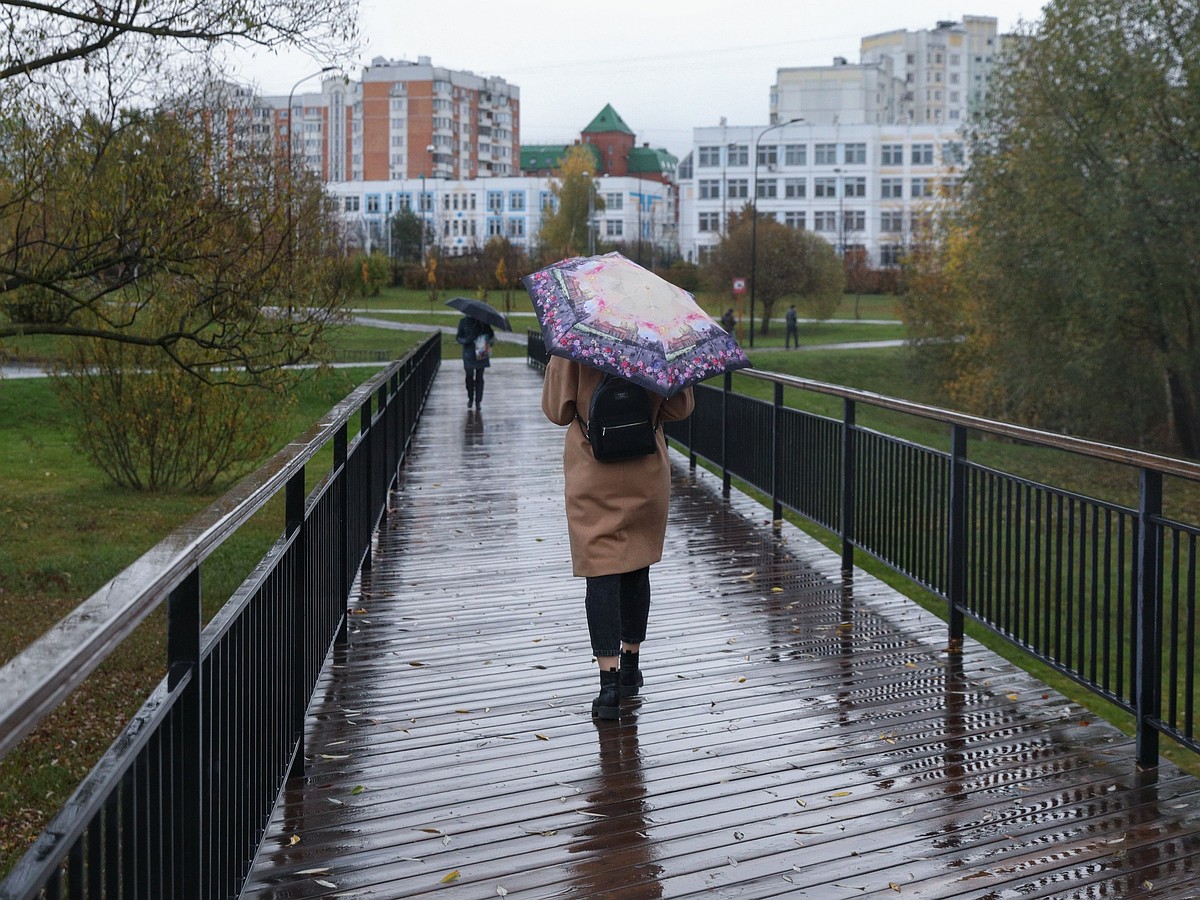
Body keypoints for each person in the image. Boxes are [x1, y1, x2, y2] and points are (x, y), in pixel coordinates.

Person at [541, 356, 695, 720]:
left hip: (592, 467)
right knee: (637, 566)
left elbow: (556, 411)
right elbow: (681, 406)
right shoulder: (656, 339)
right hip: (645, 469)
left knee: (601, 571)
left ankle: (608, 687)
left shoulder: (576, 344)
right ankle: (631, 665)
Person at [455, 315, 495, 409]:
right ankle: (470, 398)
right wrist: (466, 340)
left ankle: (478, 401)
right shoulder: (463, 322)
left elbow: (491, 335)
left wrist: (484, 334)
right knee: (469, 375)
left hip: (481, 352)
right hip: (468, 353)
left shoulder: (483, 322)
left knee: (479, 377)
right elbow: (458, 337)